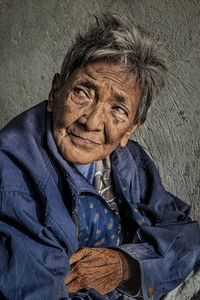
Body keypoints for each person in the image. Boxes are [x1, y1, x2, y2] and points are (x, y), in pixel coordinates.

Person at [0, 13, 199, 300]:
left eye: (118, 110)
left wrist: (125, 266)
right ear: (56, 91)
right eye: (82, 92)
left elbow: (187, 237)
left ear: (131, 128)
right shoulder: (11, 174)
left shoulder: (125, 156)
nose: (92, 122)